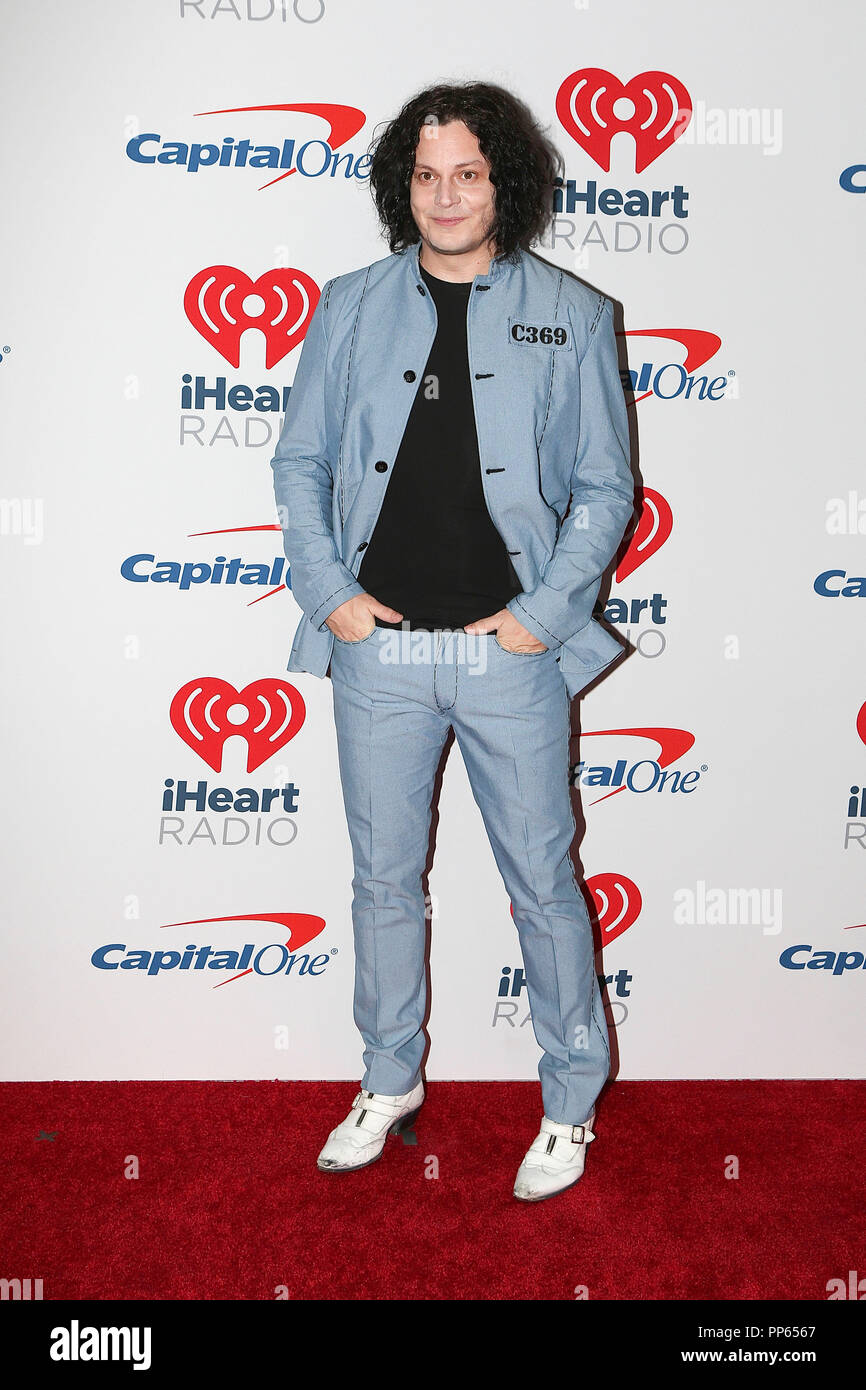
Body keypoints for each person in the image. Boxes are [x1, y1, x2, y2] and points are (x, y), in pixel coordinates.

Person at [270, 81, 634, 1202]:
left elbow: (603, 488)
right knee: (382, 881)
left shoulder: (571, 313)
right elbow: (299, 464)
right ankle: (386, 1082)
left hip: (509, 656)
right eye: (424, 175)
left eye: (467, 173)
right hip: (374, 651)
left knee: (540, 881)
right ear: (401, 186)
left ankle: (568, 1102)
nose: (444, 195)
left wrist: (538, 617)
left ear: (502, 182)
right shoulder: (346, 305)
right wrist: (327, 589)